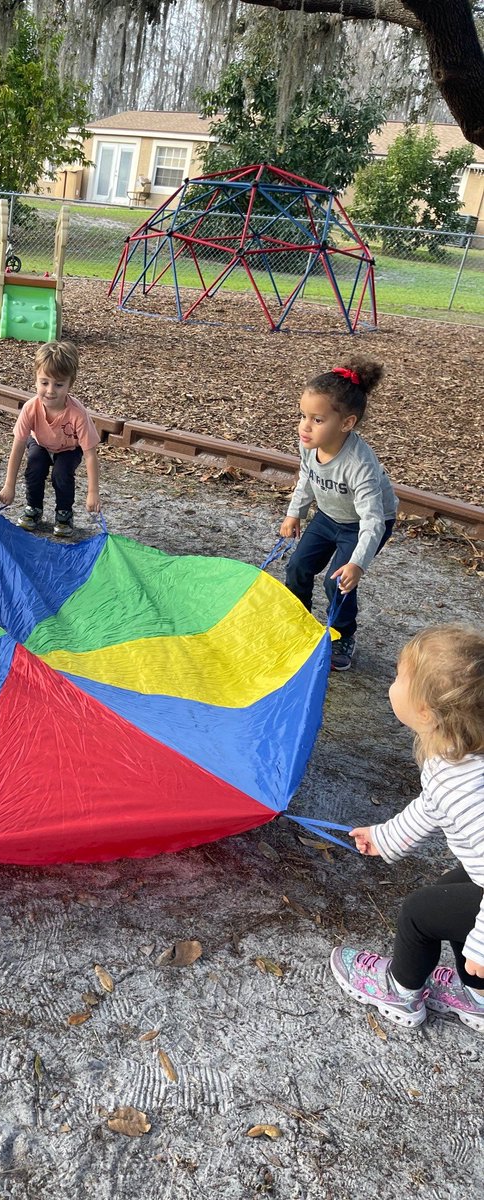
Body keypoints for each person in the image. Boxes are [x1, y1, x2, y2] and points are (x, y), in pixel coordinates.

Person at [330, 625, 484, 1032]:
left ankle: (401, 992)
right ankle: (477, 994)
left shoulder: (467, 786)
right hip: (479, 872)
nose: (391, 683)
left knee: (419, 912)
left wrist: (483, 946)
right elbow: (432, 807)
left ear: (426, 712)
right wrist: (385, 837)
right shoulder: (458, 755)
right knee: (445, 896)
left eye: (400, 678)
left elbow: (448, 801)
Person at [279, 357, 397, 672]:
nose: (305, 425)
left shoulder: (359, 464)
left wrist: (357, 564)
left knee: (338, 582)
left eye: (317, 419)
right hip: (329, 516)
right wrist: (295, 514)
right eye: (303, 415)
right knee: (298, 567)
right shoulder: (310, 443)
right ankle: (298, 623)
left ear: (346, 423)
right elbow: (307, 478)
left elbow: (373, 521)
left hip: (364, 525)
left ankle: (342, 635)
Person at [0, 340, 100, 537]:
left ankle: (64, 513)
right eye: (44, 382)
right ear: (35, 380)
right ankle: (34, 508)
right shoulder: (30, 408)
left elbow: (90, 454)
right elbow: (18, 446)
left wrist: (92, 492)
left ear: (71, 383)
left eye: (59, 384)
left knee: (61, 474)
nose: (51, 390)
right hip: (41, 442)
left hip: (69, 448)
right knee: (35, 464)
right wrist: (9, 485)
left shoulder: (77, 414)